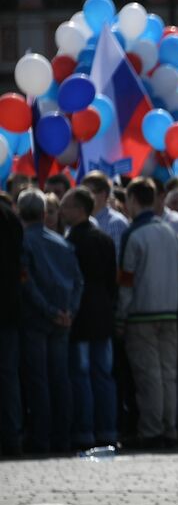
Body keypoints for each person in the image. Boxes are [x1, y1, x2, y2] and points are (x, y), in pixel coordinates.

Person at [117, 178, 178, 447]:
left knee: (148, 376)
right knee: (168, 374)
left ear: (132, 200)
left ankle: (151, 430)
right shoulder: (172, 233)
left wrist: (120, 317)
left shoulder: (134, 234)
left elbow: (126, 282)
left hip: (142, 314)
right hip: (170, 312)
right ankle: (170, 428)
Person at [17, 189, 83, 454]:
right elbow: (79, 281)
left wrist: (50, 310)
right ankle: (63, 437)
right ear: (45, 214)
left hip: (38, 319)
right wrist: (69, 311)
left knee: (39, 380)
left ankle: (42, 438)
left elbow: (27, 284)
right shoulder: (63, 243)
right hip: (62, 318)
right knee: (60, 378)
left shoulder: (24, 243)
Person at [60, 187, 119, 450]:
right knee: (103, 375)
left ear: (80, 210)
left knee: (81, 375)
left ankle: (85, 432)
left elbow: (71, 281)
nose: (62, 211)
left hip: (81, 316)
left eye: (67, 206)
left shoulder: (71, 242)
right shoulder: (104, 239)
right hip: (103, 314)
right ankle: (108, 429)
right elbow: (112, 281)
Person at [0, 199, 23, 455]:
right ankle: (12, 436)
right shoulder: (11, 219)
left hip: (7, 309)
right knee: (9, 376)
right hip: (10, 308)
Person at [80, 171, 130, 247]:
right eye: (82, 193)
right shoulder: (81, 220)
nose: (84, 197)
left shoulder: (115, 223)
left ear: (103, 194)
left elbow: (116, 256)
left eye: (88, 192)